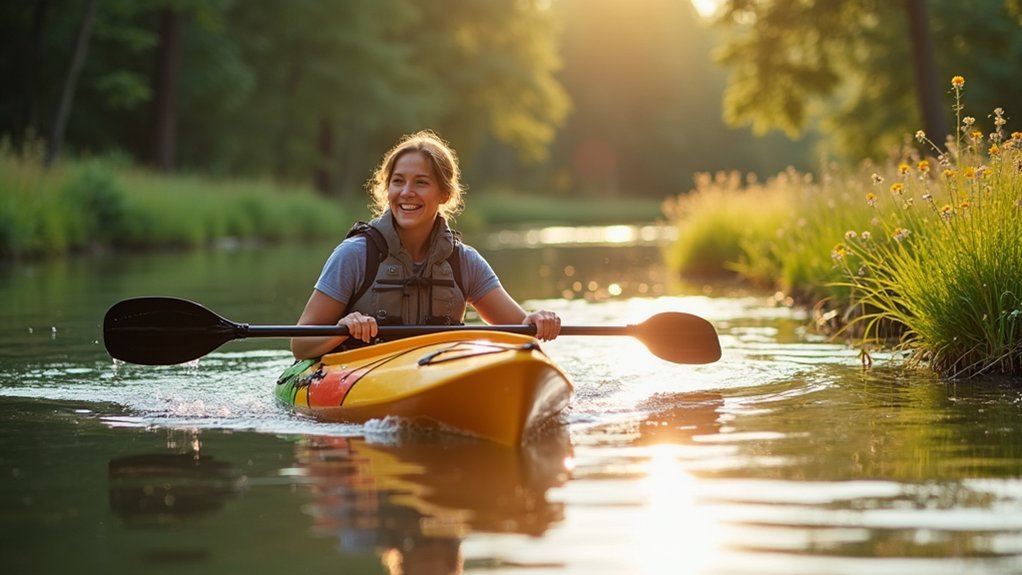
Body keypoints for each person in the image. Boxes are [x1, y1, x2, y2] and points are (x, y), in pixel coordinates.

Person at [291, 130, 561, 359]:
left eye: (421, 183)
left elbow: (520, 329)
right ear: (388, 190)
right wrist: (342, 327)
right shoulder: (354, 255)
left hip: (433, 374)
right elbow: (300, 344)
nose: (407, 192)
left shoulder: (464, 262)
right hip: (361, 374)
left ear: (444, 194)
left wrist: (537, 320)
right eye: (398, 181)